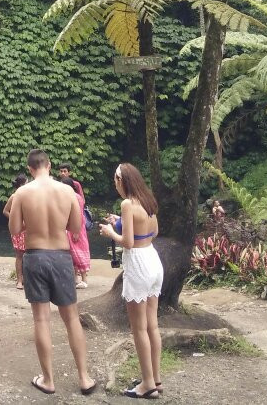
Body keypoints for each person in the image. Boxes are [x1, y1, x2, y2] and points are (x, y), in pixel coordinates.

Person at [10, 149, 97, 396]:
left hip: (35, 257)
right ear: (49, 165)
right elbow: (77, 230)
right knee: (71, 318)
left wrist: (31, 222)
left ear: (30, 169)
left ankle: (48, 380)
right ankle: (84, 378)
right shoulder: (67, 191)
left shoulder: (22, 193)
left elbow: (15, 229)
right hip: (61, 257)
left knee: (41, 320)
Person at [100, 163, 163, 399]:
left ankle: (147, 384)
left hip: (137, 264)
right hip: (153, 261)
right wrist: (121, 221)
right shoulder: (147, 201)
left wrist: (110, 232)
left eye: (115, 181)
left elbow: (126, 242)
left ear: (121, 181)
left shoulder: (127, 203)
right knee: (152, 325)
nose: (115, 185)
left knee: (138, 329)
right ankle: (155, 378)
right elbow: (153, 232)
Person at [60, 176, 91, 288]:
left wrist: (76, 231)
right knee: (72, 253)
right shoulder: (67, 196)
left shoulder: (77, 197)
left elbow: (79, 215)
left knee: (79, 251)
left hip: (77, 228)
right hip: (69, 228)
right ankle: (75, 278)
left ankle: (84, 279)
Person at [3, 173, 28, 289]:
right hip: (18, 229)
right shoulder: (14, 196)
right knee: (19, 255)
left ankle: (27, 279)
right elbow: (5, 211)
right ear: (23, 184)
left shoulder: (29, 195)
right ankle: (19, 280)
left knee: (30, 254)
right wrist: (16, 219)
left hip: (29, 228)